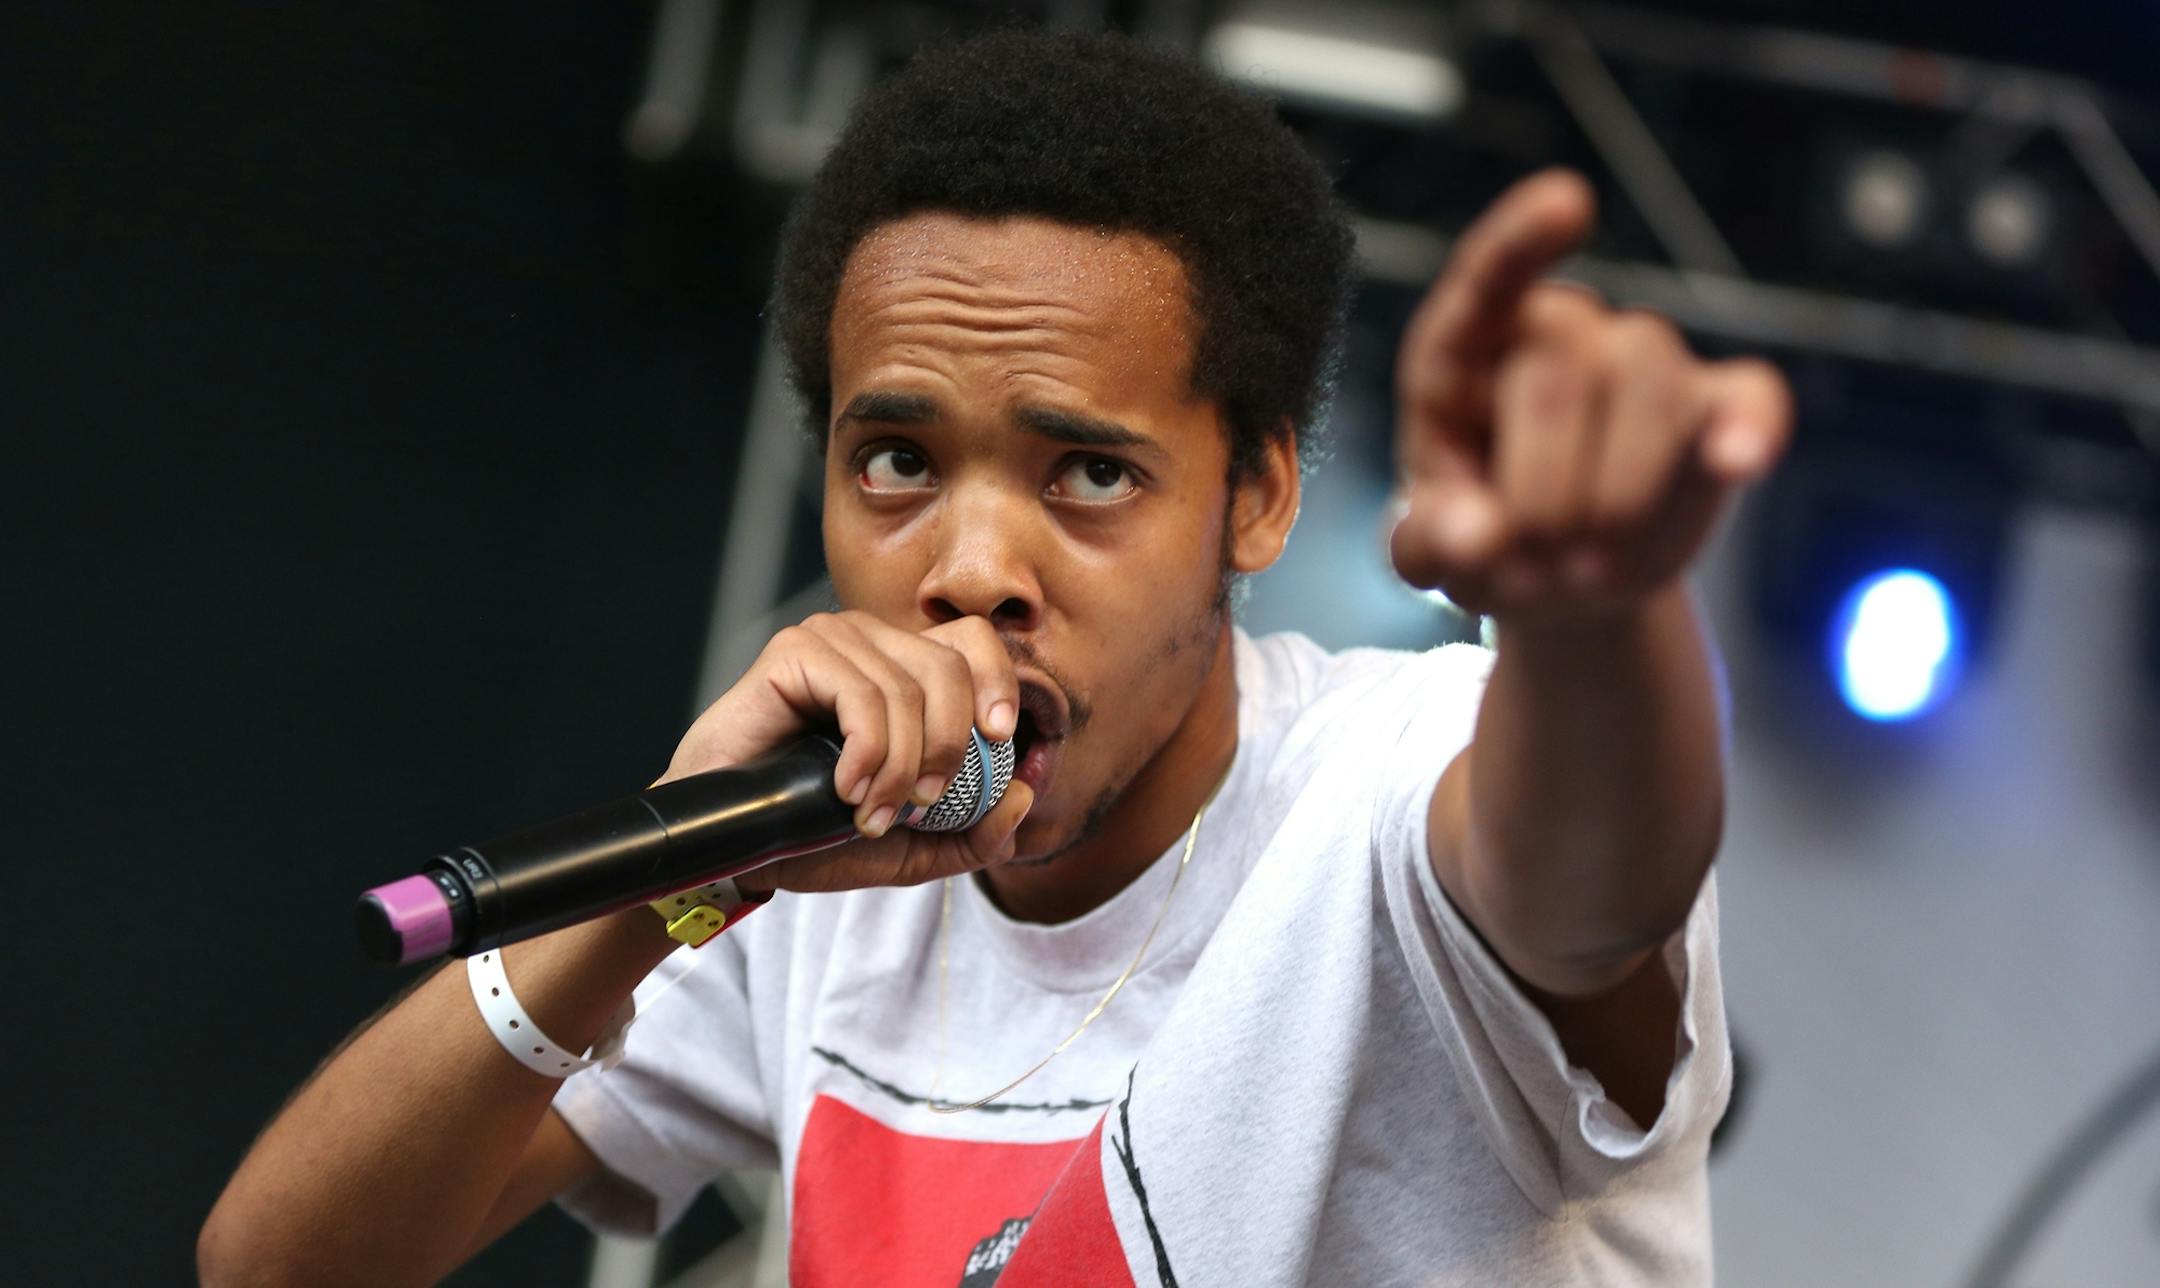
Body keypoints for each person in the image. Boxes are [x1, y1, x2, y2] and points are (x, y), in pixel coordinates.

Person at [201, 28, 1789, 1287]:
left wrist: (1599, 616)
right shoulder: (802, 869)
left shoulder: (1385, 782)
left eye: (1088, 473)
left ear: (1255, 495)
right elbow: (278, 1269)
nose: (968, 572)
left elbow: (1589, 892)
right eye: (897, 461)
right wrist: (662, 889)